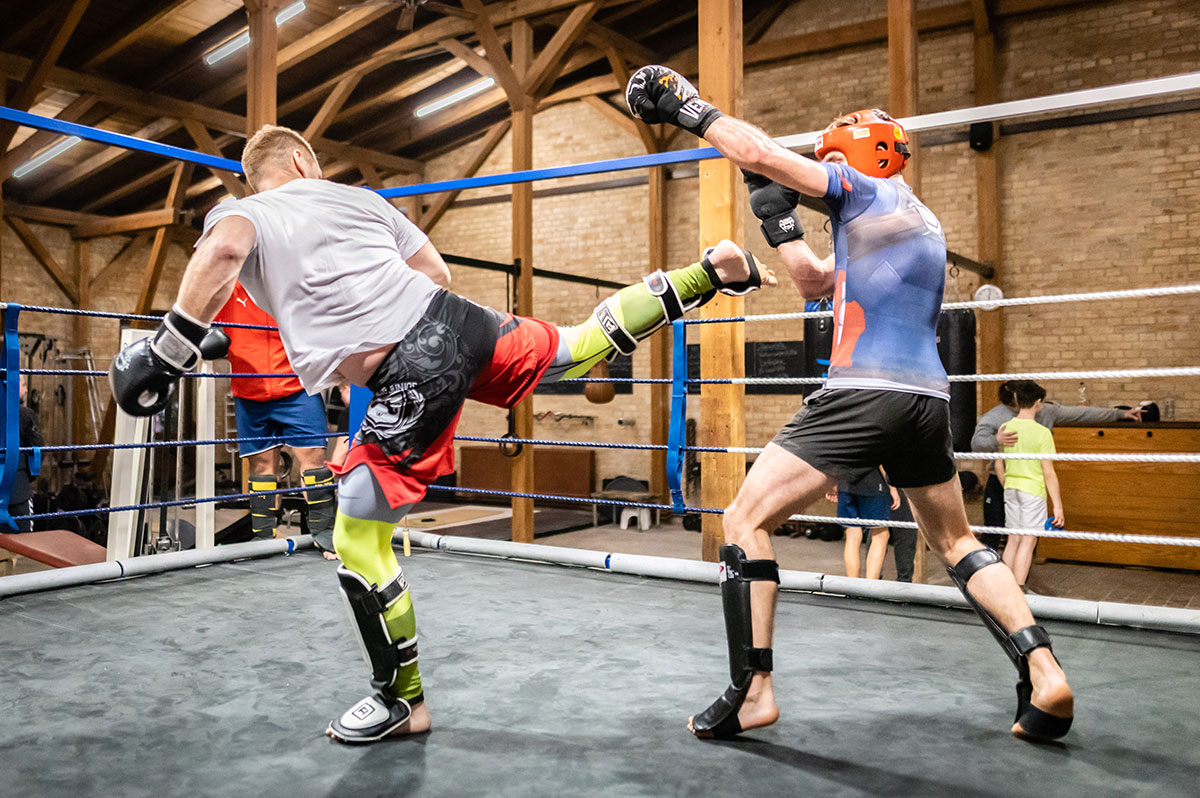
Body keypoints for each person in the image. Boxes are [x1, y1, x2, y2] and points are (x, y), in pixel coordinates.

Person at [108, 124, 777, 744]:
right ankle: (708, 272)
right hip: (457, 320)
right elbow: (435, 275)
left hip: (413, 367)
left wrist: (168, 350)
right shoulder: (362, 201)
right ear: (307, 161)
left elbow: (223, 250)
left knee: (355, 535)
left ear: (265, 175)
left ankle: (402, 700)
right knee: (577, 344)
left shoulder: (248, 211)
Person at [625, 65, 1073, 742]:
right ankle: (1045, 675)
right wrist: (773, 211)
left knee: (744, 519)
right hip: (926, 402)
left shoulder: (864, 189)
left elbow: (760, 151)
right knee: (956, 540)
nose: (824, 171)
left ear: (862, 156)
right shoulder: (916, 221)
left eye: (832, 161)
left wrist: (690, 109)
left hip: (864, 392)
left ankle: (754, 692)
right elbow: (812, 281)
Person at [214, 282, 337, 558]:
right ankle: (263, 538)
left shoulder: (289, 275)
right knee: (261, 466)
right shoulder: (228, 287)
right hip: (249, 390)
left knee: (314, 460)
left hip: (297, 387)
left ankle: (325, 535)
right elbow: (205, 324)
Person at [973, 379, 1140, 540]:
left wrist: (1119, 414)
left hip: (1031, 482)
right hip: (1003, 480)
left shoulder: (1046, 411)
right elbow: (976, 444)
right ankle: (989, 567)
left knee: (1026, 537)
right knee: (995, 530)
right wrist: (996, 440)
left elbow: (1081, 413)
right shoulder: (995, 417)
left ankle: (1019, 567)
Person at [995, 382, 1065, 591]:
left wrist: (1007, 484)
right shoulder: (1042, 433)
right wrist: (1058, 506)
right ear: (1038, 402)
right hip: (1032, 491)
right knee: (1028, 540)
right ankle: (1018, 588)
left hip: (1011, 488)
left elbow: (998, 463)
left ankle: (1004, 588)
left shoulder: (1005, 428)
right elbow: (1048, 472)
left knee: (1013, 539)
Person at [826, 467, 899, 579]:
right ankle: (870, 587)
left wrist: (831, 482)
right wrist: (893, 488)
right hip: (873, 483)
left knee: (852, 536)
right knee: (881, 535)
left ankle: (853, 588)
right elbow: (881, 459)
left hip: (845, 483)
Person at [7, 374, 44, 532]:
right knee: (23, 548)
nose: (26, 389)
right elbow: (38, 452)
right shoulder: (25, 415)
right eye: (23, 385)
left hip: (16, 490)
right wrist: (27, 476)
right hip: (18, 495)